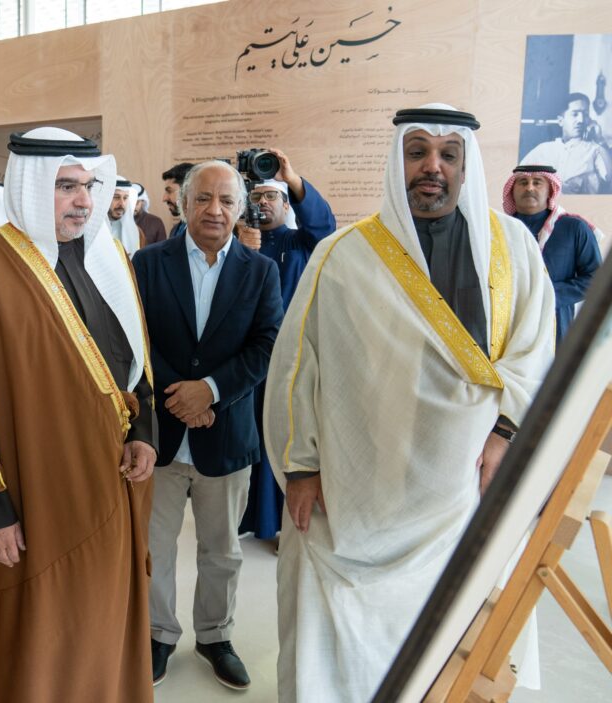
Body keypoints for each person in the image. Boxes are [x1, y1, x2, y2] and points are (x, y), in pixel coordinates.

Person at [264, 104, 555, 703]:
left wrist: (506, 432)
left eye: (448, 155)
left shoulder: (513, 248)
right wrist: (301, 466)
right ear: (395, 161)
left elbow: (534, 347)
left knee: (462, 626)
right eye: (416, 152)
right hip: (365, 487)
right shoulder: (343, 253)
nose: (432, 167)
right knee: (347, 627)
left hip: (468, 482)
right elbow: (297, 365)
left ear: (467, 165)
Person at [0, 127, 156, 702]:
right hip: (30, 493)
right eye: (65, 186)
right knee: (42, 627)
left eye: (88, 186)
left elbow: (136, 361)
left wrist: (144, 431)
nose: (83, 201)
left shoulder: (110, 257)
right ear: (29, 185)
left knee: (99, 617)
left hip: (109, 482)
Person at [133, 160, 283, 690]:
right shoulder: (147, 263)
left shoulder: (260, 271)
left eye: (226, 200)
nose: (214, 210)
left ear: (239, 209)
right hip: (161, 438)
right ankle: (158, 635)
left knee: (222, 550)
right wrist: (181, 396)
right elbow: (135, 337)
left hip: (226, 433)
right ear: (183, 204)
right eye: (203, 198)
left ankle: (216, 637)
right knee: (155, 548)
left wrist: (212, 391)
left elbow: (267, 344)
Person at [234, 150, 337, 545]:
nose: (263, 203)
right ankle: (250, 520)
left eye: (271, 196)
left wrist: (291, 180)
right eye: (256, 197)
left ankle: (279, 525)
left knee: (284, 436)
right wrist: (242, 249)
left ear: (286, 204)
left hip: (291, 357)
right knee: (251, 438)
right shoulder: (238, 244)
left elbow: (324, 226)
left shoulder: (300, 243)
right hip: (248, 357)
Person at [503, 164, 602, 344]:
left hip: (555, 327)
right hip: (507, 326)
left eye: (537, 182)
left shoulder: (574, 228)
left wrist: (545, 296)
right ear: (512, 191)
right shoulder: (498, 228)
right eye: (523, 182)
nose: (529, 187)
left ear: (550, 190)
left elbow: (595, 279)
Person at [521, 93, 612, 194]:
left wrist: (599, 139)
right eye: (575, 114)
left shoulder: (595, 149)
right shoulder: (543, 149)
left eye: (585, 114)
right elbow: (518, 177)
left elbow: (609, 177)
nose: (581, 120)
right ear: (561, 121)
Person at [109, 175, 145, 256]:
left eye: (125, 198)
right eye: (116, 197)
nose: (122, 204)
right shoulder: (93, 233)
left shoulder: (138, 233)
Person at [162, 162, 194, 238]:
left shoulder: (205, 231)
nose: (164, 198)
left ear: (187, 191)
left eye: (169, 191)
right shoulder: (175, 230)